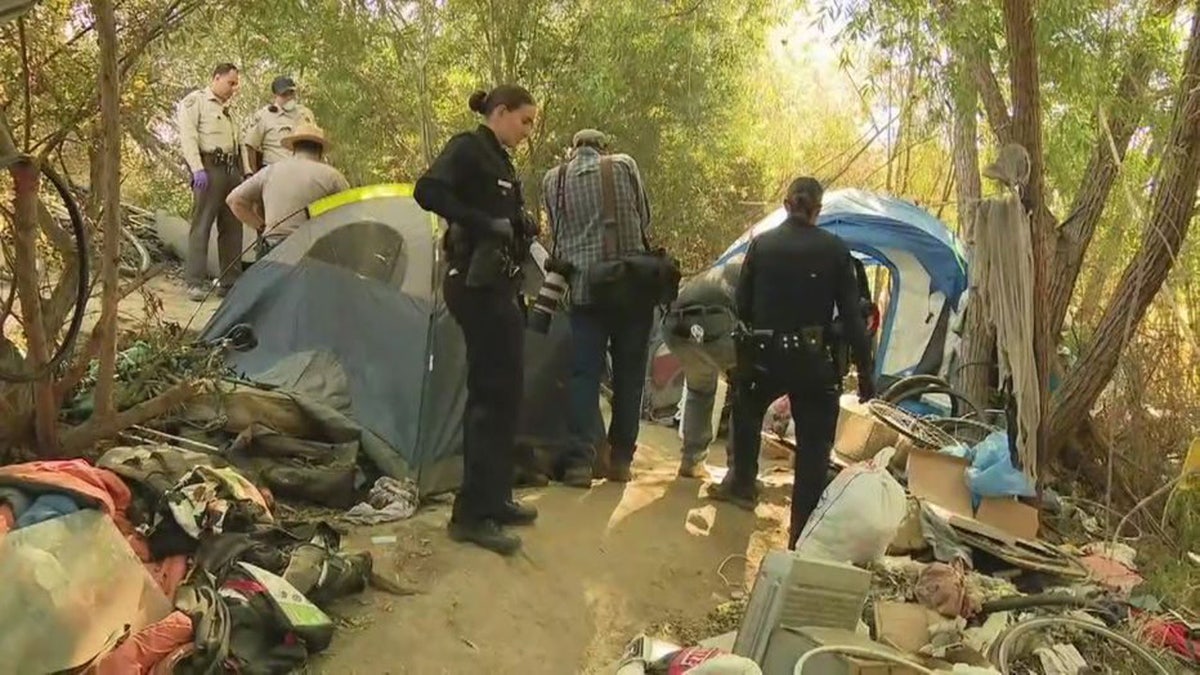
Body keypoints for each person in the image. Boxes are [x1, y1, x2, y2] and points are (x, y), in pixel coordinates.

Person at [710, 176, 875, 550]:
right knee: (814, 448)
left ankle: (742, 485)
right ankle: (801, 534)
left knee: (748, 412)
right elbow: (852, 317)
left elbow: (743, 306)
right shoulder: (835, 250)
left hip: (765, 357)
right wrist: (866, 373)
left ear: (786, 205)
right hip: (813, 362)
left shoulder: (762, 246)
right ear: (817, 211)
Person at [413, 85, 539, 556]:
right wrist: (483, 223)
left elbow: (501, 212)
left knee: (507, 391)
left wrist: (520, 224)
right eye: (524, 121)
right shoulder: (468, 148)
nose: (527, 131)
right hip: (472, 284)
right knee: (488, 394)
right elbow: (426, 191)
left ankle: (495, 496)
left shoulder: (502, 161)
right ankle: (471, 515)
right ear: (500, 112)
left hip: (501, 285)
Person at [541, 129, 654, 488]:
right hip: (629, 289)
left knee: (583, 375)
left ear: (572, 150)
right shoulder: (624, 166)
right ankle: (620, 460)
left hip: (583, 291)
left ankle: (579, 462)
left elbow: (557, 232)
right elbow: (644, 218)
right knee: (629, 376)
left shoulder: (552, 179)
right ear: (604, 148)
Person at [662, 263, 742, 480]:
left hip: (675, 326)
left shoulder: (725, 268)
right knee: (744, 391)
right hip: (714, 323)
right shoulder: (758, 269)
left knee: (700, 390)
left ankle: (692, 460)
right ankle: (738, 472)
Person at [176, 62, 244, 302]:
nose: (234, 88)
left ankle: (230, 282)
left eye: (236, 84)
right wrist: (197, 168)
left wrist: (242, 173)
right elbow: (188, 136)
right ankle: (194, 282)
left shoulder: (228, 110)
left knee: (234, 227)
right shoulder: (196, 102)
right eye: (231, 82)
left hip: (231, 169)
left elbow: (237, 142)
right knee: (202, 224)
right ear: (216, 78)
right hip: (209, 168)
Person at [225, 123, 349, 249]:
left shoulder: (271, 171)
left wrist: (262, 227)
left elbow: (234, 200)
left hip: (272, 248)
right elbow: (349, 215)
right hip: (310, 249)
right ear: (320, 151)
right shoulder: (332, 176)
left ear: (294, 148)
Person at [241, 76, 317, 176]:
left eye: (291, 93)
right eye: (284, 94)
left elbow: (316, 142)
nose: (289, 97)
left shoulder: (305, 114)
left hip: (303, 173)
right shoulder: (264, 116)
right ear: (275, 96)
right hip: (275, 173)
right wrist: (254, 176)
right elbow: (250, 146)